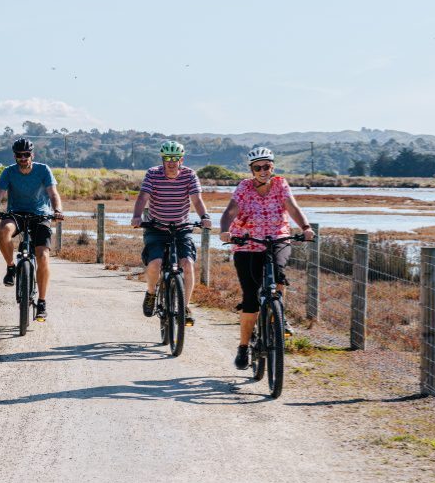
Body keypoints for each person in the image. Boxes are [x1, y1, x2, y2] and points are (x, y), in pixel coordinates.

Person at [219, 147, 314, 370]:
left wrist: (306, 227)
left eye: (267, 167)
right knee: (251, 297)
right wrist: (225, 230)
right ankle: (243, 346)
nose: (263, 171)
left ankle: (279, 315)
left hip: (277, 240)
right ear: (251, 169)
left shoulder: (281, 184)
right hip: (247, 243)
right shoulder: (244, 187)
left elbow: (293, 207)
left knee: (278, 275)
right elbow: (230, 211)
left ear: (273, 167)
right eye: (258, 167)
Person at [131, 140, 212, 326]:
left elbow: (197, 200)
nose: (171, 162)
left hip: (181, 228)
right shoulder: (153, 173)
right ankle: (151, 293)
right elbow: (143, 196)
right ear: (162, 159)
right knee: (155, 264)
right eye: (167, 158)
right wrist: (137, 216)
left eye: (175, 158)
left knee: (188, 265)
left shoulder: (190, 175)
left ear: (181, 159)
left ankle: (185, 307)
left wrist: (205, 216)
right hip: (157, 227)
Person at [0, 138, 64, 322]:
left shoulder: (43, 170)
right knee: (4, 229)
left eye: (26, 154)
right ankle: (11, 267)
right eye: (19, 155)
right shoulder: (8, 172)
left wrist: (57, 210)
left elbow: (53, 193)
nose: (23, 158)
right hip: (17, 213)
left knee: (43, 256)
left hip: (41, 215)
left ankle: (42, 303)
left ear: (32, 155)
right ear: (14, 156)